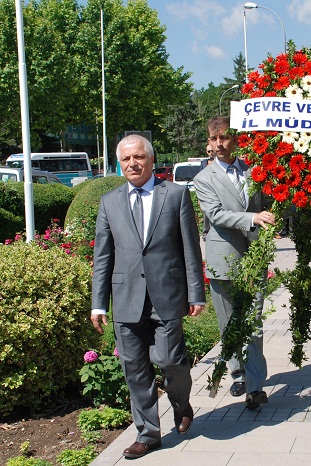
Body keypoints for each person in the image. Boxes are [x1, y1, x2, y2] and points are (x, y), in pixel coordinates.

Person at [91, 135, 206, 459]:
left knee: (171, 361)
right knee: (135, 370)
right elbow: (103, 258)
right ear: (119, 163)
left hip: (166, 296)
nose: (133, 164)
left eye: (139, 157)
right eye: (126, 159)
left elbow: (189, 248)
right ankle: (148, 434)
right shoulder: (109, 202)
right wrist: (98, 303)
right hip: (126, 300)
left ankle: (181, 404)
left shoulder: (176, 195)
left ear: (152, 160)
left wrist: (196, 292)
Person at [193, 116, 275, 409]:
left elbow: (269, 203)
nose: (220, 144)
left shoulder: (255, 172)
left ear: (236, 139)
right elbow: (216, 215)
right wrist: (252, 218)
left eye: (225, 137)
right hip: (222, 257)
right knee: (229, 323)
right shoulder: (204, 179)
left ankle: (255, 387)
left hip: (253, 257)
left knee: (253, 323)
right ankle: (237, 372)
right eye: (214, 139)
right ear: (209, 143)